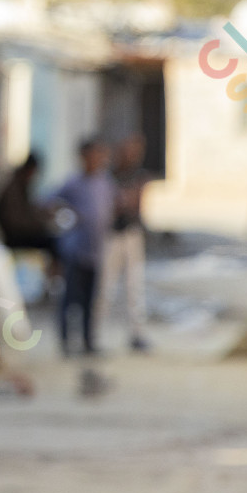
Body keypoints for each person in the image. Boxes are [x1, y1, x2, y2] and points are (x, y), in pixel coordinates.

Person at [49, 139, 114, 356]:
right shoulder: (73, 183)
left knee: (91, 301)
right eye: (93, 155)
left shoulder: (105, 182)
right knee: (70, 300)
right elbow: (49, 201)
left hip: (96, 251)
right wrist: (66, 218)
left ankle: (88, 342)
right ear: (83, 157)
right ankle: (67, 342)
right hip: (75, 251)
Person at [103, 135, 152, 353]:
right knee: (105, 286)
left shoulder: (139, 176)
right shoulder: (108, 176)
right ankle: (96, 335)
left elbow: (135, 204)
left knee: (135, 287)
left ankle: (137, 333)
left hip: (131, 235)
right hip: (111, 236)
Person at [0, 154, 58, 258]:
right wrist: (40, 225)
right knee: (51, 242)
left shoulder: (22, 185)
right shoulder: (13, 188)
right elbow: (16, 221)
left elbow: (28, 211)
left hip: (18, 233)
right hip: (14, 237)